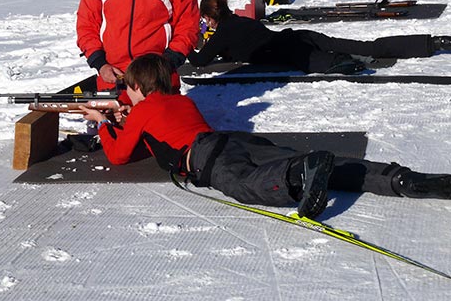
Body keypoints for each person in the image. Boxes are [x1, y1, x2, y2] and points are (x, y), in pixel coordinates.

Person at [80, 53, 451, 219]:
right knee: (332, 168)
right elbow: (164, 127)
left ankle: (299, 174)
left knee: (245, 186)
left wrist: (103, 124)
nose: (125, 95)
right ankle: (401, 180)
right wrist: (126, 117)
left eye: (129, 89)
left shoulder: (142, 109)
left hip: (208, 159)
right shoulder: (179, 102)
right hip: (233, 140)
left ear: (140, 87)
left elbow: (119, 156)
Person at [187, 0, 451, 73]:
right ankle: (432, 42)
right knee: (368, 46)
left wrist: (185, 43)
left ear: (210, 17)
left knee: (337, 63)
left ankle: (350, 64)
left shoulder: (223, 32)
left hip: (292, 52)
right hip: (300, 36)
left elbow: (200, 61)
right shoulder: (241, 22)